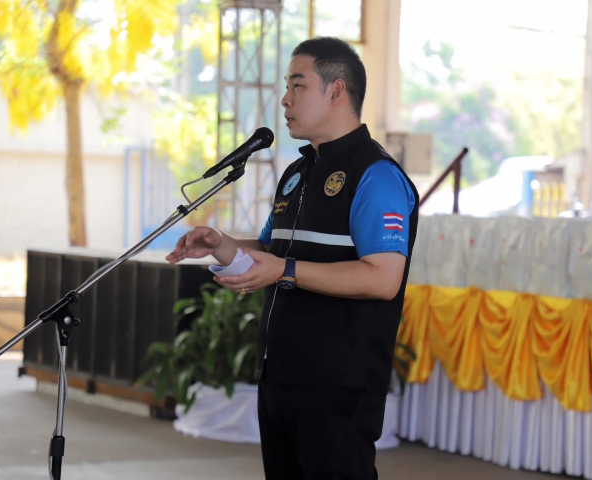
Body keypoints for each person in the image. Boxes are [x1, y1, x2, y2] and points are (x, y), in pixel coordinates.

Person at [167, 36, 419, 480]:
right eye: (287, 86)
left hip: (338, 387)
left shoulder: (375, 175)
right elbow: (272, 252)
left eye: (297, 86)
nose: (285, 99)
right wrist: (222, 244)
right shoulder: (298, 173)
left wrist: (286, 270)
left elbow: (383, 279)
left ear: (336, 91)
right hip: (281, 378)